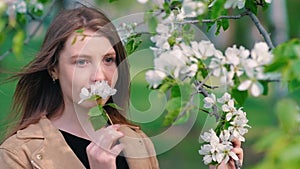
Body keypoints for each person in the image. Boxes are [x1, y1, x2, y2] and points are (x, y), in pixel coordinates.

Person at [0, 6, 242, 169]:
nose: (99, 76)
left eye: (108, 60)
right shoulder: (18, 153)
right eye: (81, 61)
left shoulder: (137, 141)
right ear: (53, 69)